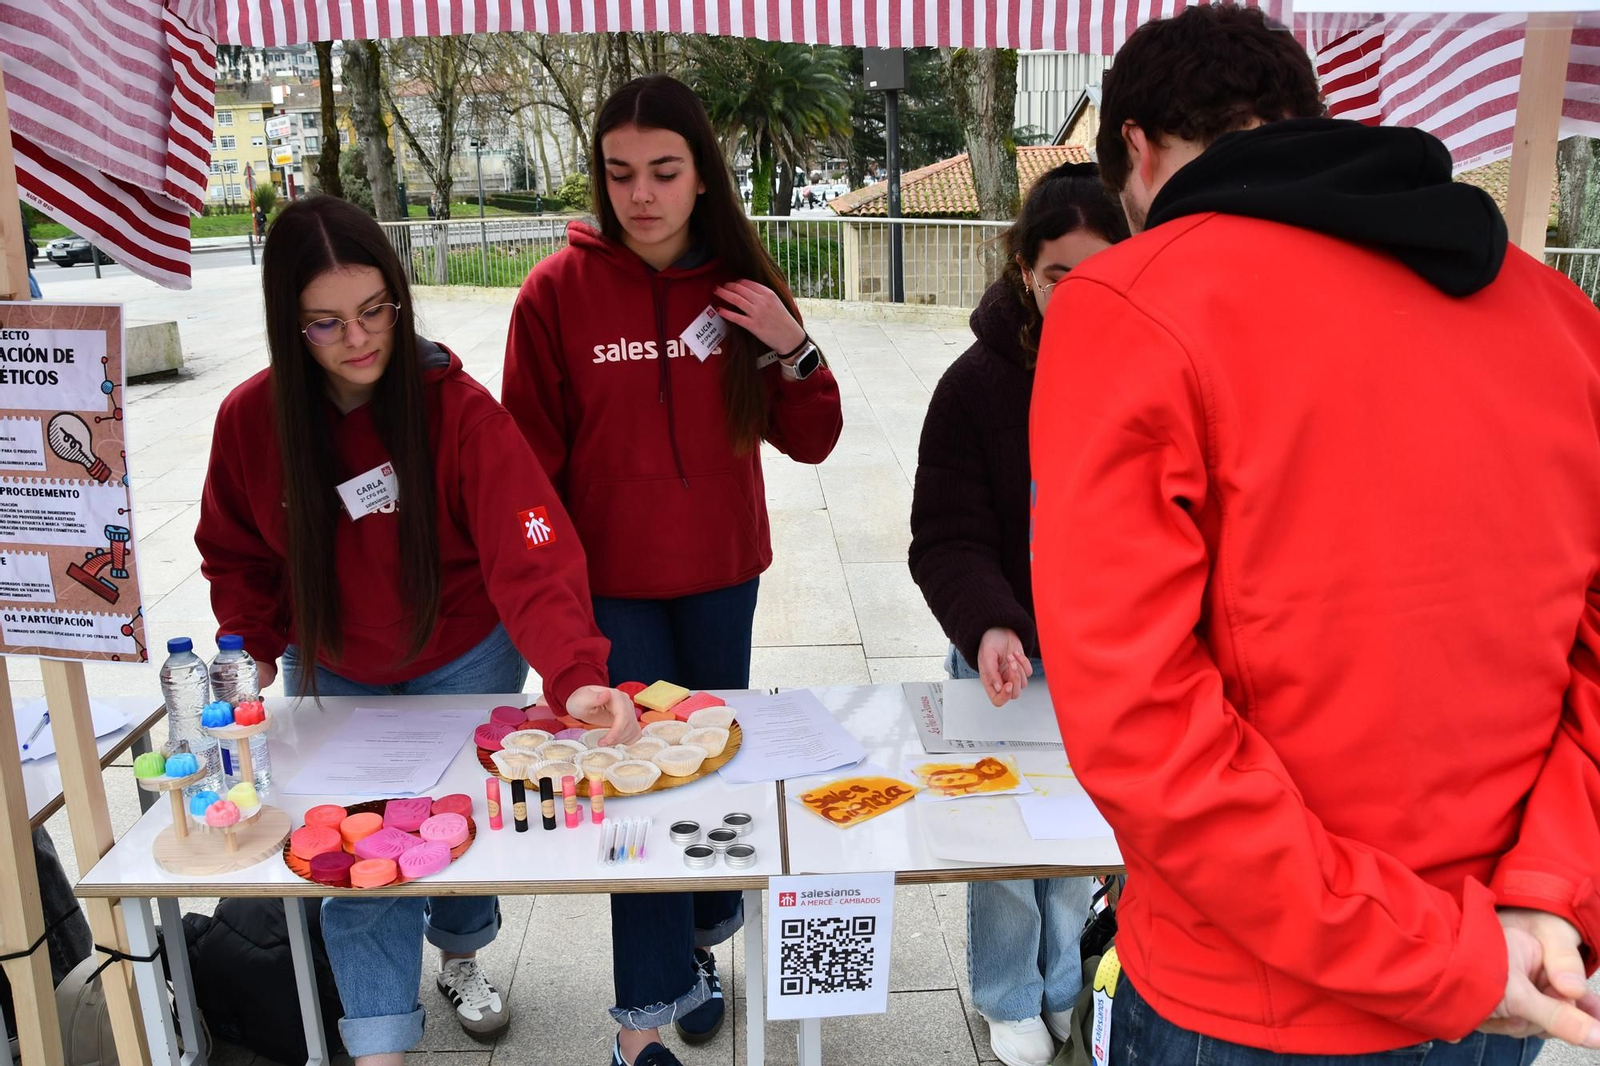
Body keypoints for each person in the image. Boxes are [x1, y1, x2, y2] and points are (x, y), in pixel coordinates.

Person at [1028, 6, 1600, 1065]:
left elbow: (1136, 720)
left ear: (1136, 151)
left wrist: (1438, 954)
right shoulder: (1565, 320)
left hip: (1259, 991)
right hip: (1516, 953)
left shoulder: (1124, 305)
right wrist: (1549, 887)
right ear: (1307, 113)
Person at [196, 194, 640, 1066]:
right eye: (326, 324)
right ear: (288, 324)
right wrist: (249, 653)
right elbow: (236, 553)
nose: (359, 340)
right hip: (334, 664)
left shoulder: (461, 412)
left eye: (375, 311)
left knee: (456, 821)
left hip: (460, 653)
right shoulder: (252, 420)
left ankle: (463, 956)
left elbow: (533, 555)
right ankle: (380, 1046)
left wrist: (575, 672)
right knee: (361, 849)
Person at [502, 74, 843, 1066]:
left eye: (663, 171)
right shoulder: (553, 295)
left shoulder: (742, 286)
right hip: (613, 592)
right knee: (636, 782)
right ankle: (640, 1022)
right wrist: (547, 601)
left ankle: (699, 946)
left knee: (712, 765)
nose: (640, 194)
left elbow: (813, 440)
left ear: (701, 177)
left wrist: (794, 347)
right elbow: (526, 472)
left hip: (720, 578)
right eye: (620, 174)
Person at [909, 161, 1128, 1066]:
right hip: (1003, 654)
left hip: (1107, 659)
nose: (1077, 297)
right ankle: (1007, 994)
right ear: (1023, 271)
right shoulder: (973, 386)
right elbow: (945, 535)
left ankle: (1064, 982)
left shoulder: (1150, 374)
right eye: (1056, 276)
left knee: (1078, 833)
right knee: (1000, 834)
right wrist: (990, 623)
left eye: (1100, 274)